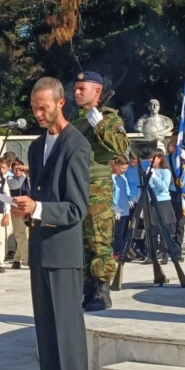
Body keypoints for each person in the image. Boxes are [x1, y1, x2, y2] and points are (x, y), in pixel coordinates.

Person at [11, 77, 92, 370]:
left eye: (42, 107)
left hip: (64, 247)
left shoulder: (77, 145)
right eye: (33, 107)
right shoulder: (35, 145)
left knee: (67, 320)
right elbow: (38, 193)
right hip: (40, 244)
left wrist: (39, 208)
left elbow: (77, 207)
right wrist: (24, 207)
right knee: (44, 319)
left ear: (61, 103)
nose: (37, 113)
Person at [71, 71, 129, 311]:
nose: (76, 92)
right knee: (82, 244)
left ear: (97, 91)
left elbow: (120, 146)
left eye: (81, 88)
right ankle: (87, 288)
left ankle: (102, 290)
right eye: (75, 88)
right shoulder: (74, 122)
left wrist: (100, 124)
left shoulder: (109, 118)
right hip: (75, 189)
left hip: (98, 189)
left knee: (99, 241)